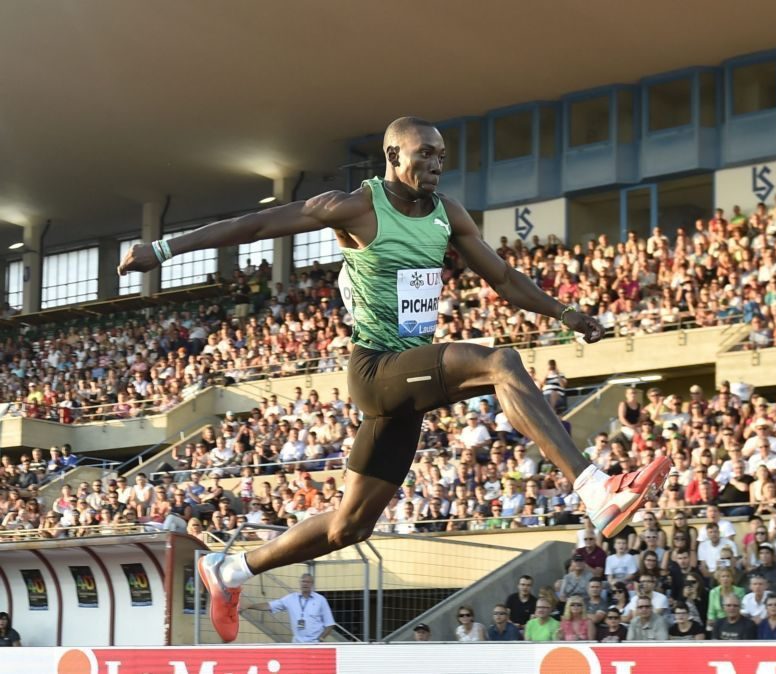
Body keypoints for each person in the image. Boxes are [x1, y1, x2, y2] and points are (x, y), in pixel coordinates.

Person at [125, 117, 672, 642]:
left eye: (441, 156)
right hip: (376, 371)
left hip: (405, 384)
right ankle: (594, 487)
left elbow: (503, 276)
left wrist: (564, 313)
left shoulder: (446, 213)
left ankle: (231, 570)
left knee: (348, 526)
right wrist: (165, 249)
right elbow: (258, 224)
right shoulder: (355, 206)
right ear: (393, 156)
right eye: (424, 154)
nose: (436, 164)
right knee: (501, 362)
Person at [241, 573, 335, 643]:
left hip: (315, 645)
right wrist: (249, 606)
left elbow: (330, 624)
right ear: (299, 583)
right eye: (303, 581)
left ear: (312, 584)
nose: (305, 584)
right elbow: (269, 606)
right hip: (297, 644)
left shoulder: (321, 600)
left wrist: (320, 640)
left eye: (308, 582)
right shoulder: (291, 599)